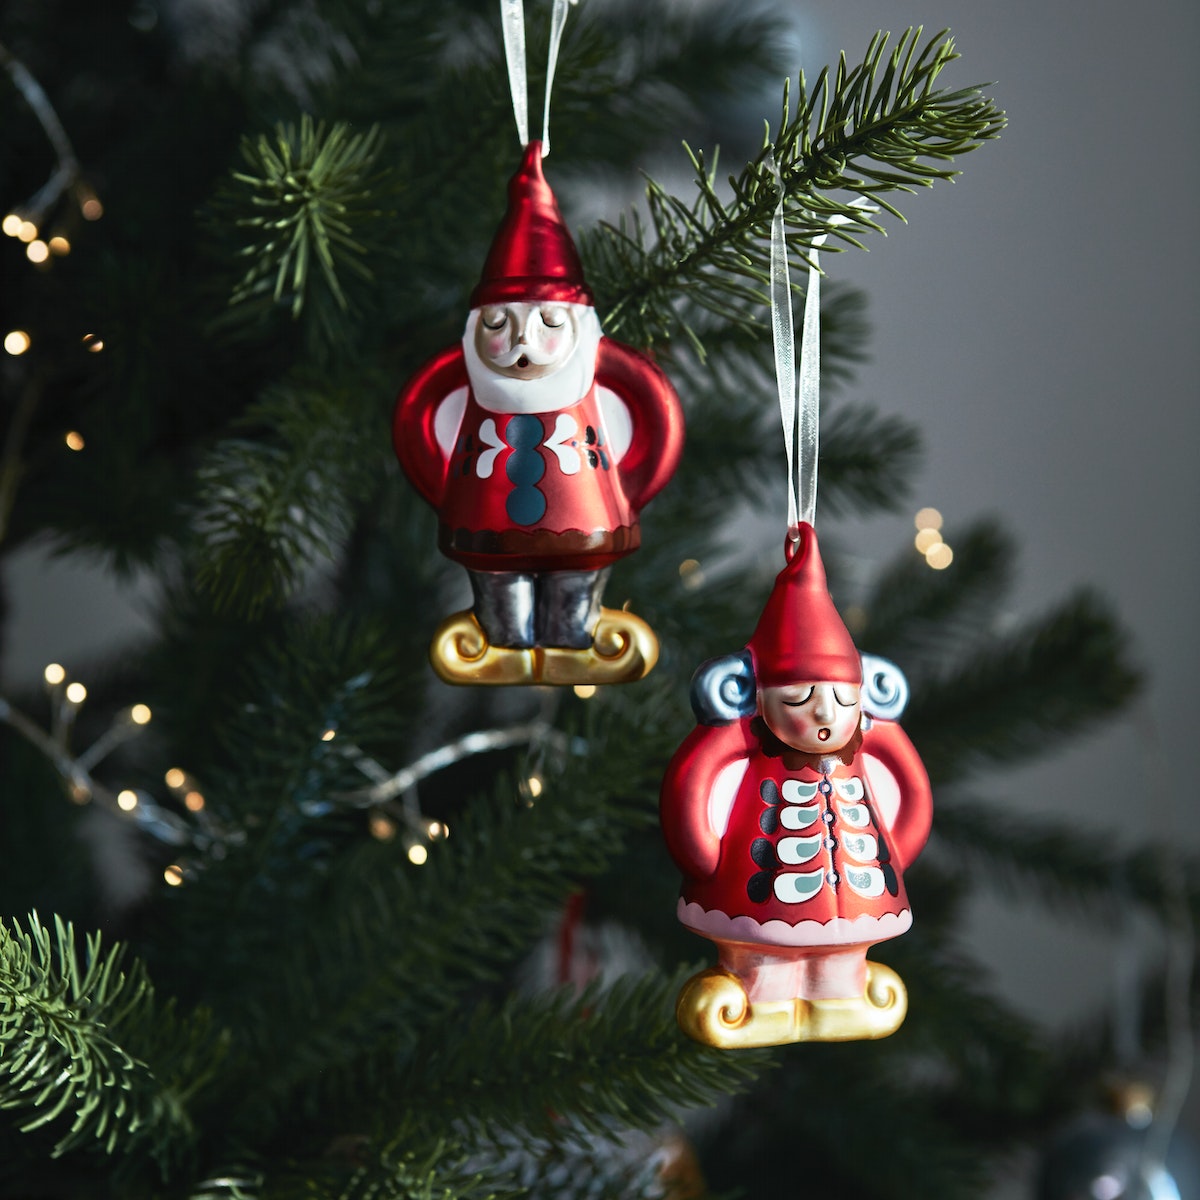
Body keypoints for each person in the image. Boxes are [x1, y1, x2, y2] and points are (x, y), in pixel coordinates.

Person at [394, 142, 683, 685]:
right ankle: (504, 645)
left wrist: (631, 491)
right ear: (477, 327)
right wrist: (444, 491)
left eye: (549, 323)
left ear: (578, 325)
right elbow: (418, 413)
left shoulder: (594, 372)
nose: (521, 342)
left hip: (585, 515)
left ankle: (571, 642)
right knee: (497, 580)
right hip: (486, 523)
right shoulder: (470, 381)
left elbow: (655, 406)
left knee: (575, 581)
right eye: (498, 324)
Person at [660, 522, 933, 1046]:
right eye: (798, 699)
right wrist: (703, 857)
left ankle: (839, 1002)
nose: (825, 714)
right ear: (759, 696)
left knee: (842, 957)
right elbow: (690, 790)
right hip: (758, 888)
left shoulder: (870, 739)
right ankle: (764, 1005)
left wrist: (897, 852)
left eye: (843, 700)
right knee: (765, 954)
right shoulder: (743, 740)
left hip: (859, 883)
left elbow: (912, 793)